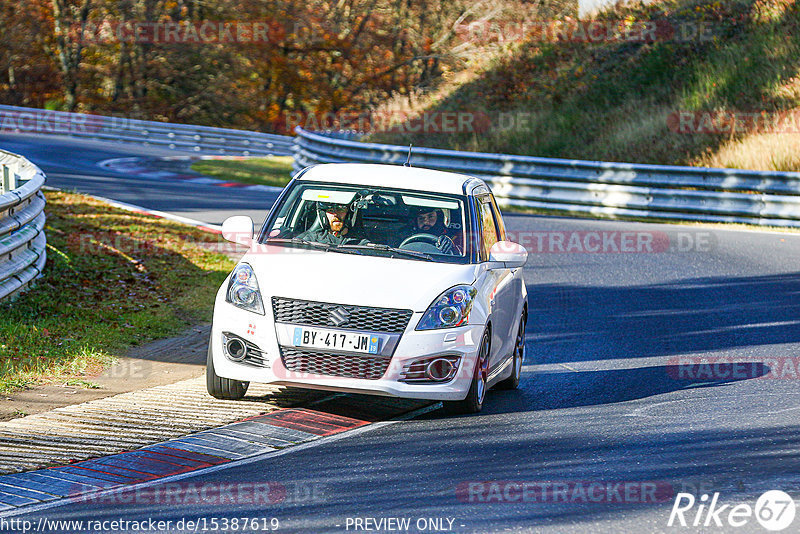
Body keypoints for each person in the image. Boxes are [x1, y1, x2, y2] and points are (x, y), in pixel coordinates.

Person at [296, 201, 369, 246]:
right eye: (331, 210)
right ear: (323, 215)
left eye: (341, 209)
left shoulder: (361, 244)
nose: (336, 214)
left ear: (348, 214)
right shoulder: (309, 240)